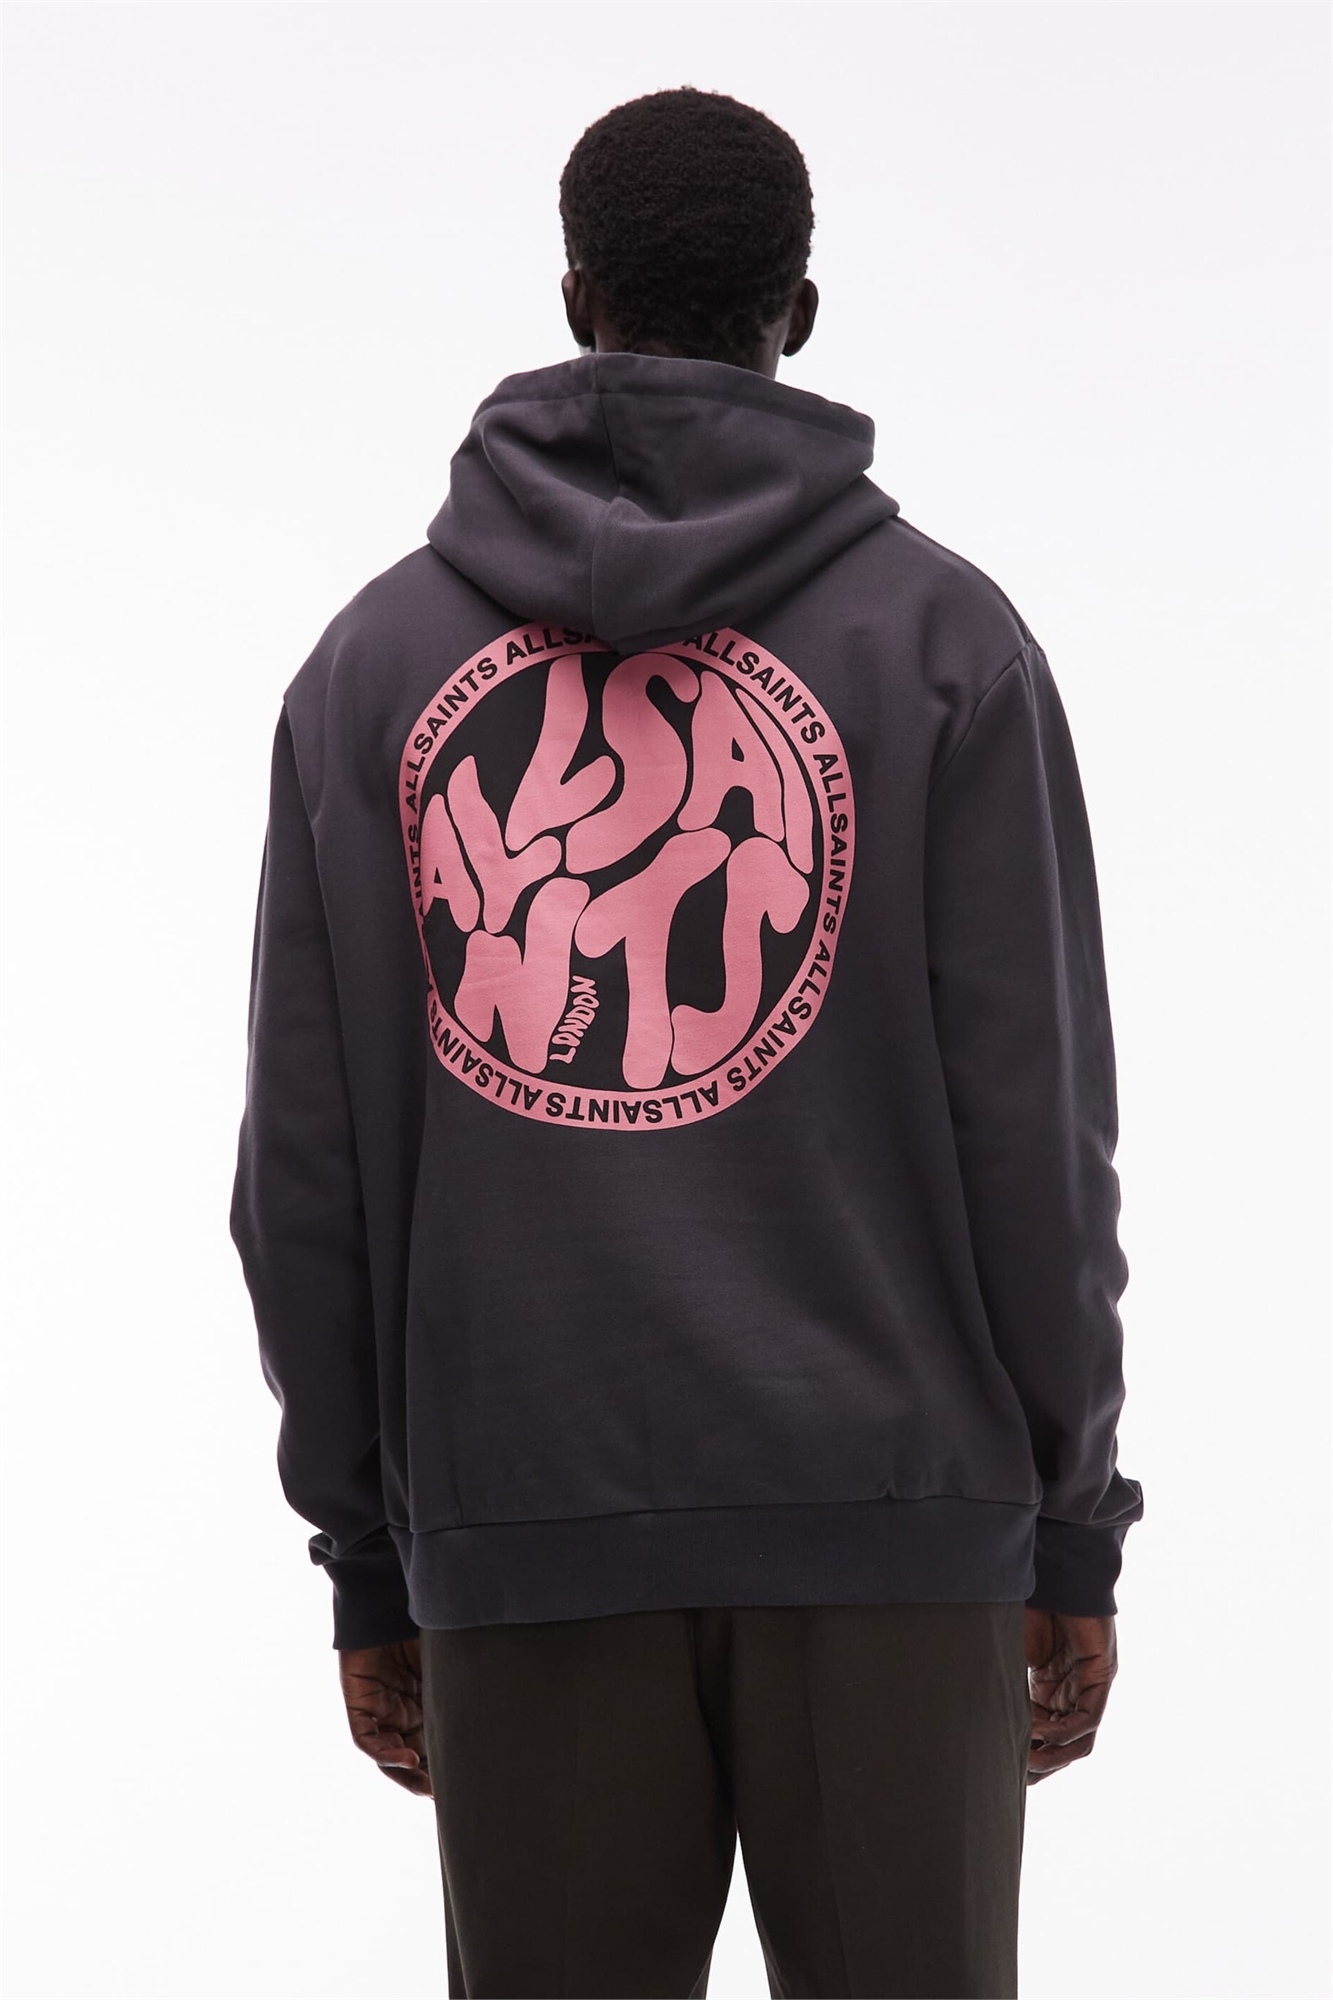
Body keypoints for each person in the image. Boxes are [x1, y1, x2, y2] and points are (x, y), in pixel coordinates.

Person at [231, 84, 1144, 2000]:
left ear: (574, 299)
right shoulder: (944, 648)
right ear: (797, 308)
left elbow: (303, 1175)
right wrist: (1067, 1520)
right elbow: (1035, 1133)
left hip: (523, 1512)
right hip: (896, 1523)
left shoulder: (371, 675)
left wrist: (368, 1548)